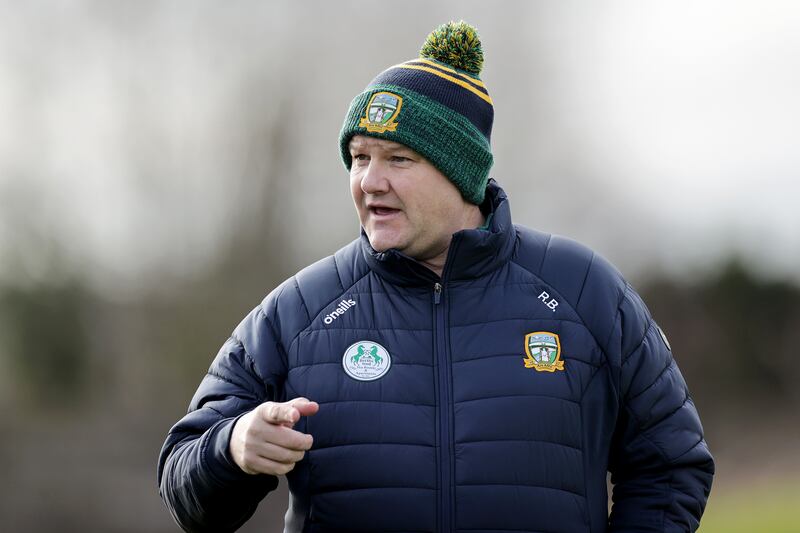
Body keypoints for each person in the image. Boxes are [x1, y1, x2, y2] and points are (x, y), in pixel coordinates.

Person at [158, 21, 714, 533]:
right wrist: (231, 449)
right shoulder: (299, 311)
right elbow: (184, 485)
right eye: (358, 157)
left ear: (461, 174)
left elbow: (672, 463)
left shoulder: (585, 291)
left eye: (398, 159)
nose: (369, 181)